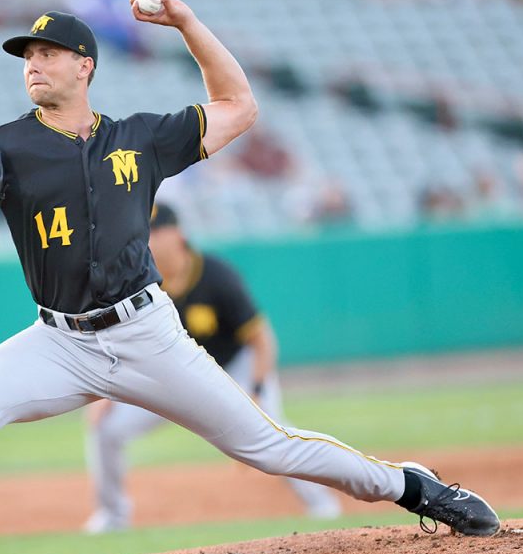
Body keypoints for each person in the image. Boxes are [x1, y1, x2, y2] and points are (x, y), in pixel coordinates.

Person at [0, 0, 500, 554]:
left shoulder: (141, 137)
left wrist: (186, 21)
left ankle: (415, 487)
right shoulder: (2, 149)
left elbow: (239, 106)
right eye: (26, 54)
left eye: (48, 52)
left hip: (147, 333)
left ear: (85, 65)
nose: (32, 62)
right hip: (60, 341)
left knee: (269, 447)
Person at [83, 202, 341, 534]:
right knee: (107, 429)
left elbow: (262, 340)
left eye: (152, 232)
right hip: (173, 376)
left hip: (236, 368)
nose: (144, 241)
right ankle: (112, 516)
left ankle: (322, 505)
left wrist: (258, 390)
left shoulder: (215, 276)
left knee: (272, 432)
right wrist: (108, 397)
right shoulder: (137, 283)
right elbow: (125, 344)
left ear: (176, 234)